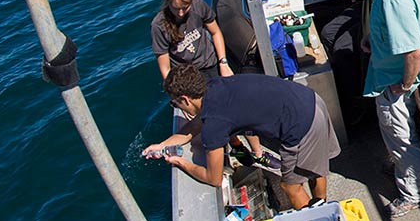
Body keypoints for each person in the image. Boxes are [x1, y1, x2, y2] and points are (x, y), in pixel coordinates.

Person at [144, 65, 342, 208]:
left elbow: (213, 178)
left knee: (290, 187)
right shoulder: (214, 86)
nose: (176, 107)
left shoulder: (214, 124)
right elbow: (193, 127)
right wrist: (161, 145)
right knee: (314, 168)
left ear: (185, 99)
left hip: (302, 125)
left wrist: (181, 163)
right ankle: (322, 206)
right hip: (311, 100)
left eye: (175, 104)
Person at [346, 0, 420, 217]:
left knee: (402, 138)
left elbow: (414, 50)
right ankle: (402, 170)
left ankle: (411, 195)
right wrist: (373, 38)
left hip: (394, 82)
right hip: (390, 72)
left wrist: (403, 85)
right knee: (398, 137)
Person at [151, 0, 275, 172]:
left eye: (185, 8)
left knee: (237, 106)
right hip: (188, 77)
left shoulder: (199, 4)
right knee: (209, 117)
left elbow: (215, 32)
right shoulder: (159, 26)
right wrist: (177, 96)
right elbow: (165, 67)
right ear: (167, 2)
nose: (181, 13)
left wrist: (223, 63)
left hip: (211, 66)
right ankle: (236, 146)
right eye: (176, 9)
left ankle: (258, 153)